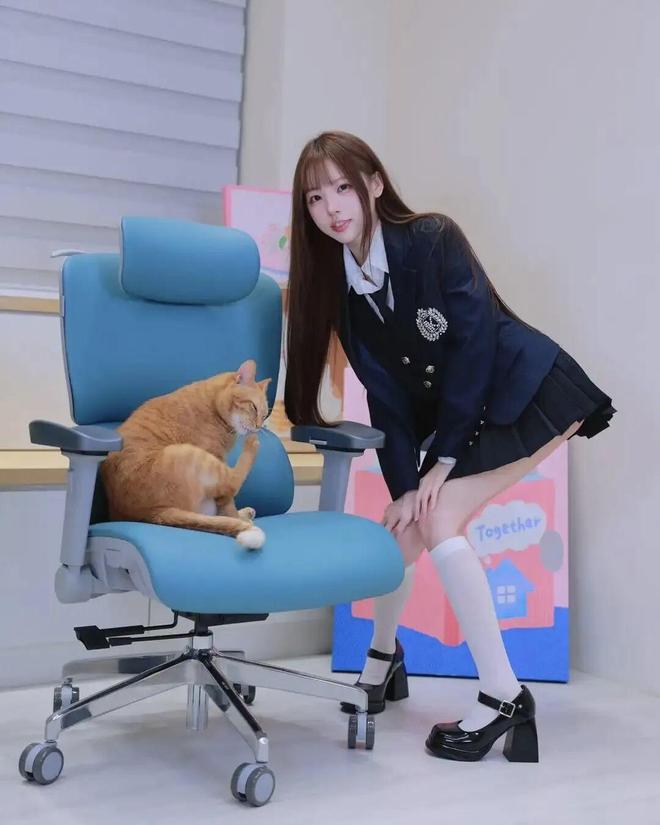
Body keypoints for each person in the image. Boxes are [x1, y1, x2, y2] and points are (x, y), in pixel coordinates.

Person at [283, 131, 615, 762]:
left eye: (344, 187)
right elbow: (385, 397)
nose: (332, 207)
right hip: (467, 415)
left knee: (440, 520)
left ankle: (504, 696)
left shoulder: (431, 238)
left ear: (375, 184)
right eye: (316, 197)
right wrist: (405, 485)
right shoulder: (344, 293)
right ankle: (384, 658)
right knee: (404, 529)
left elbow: (474, 346)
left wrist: (444, 461)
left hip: (525, 391)